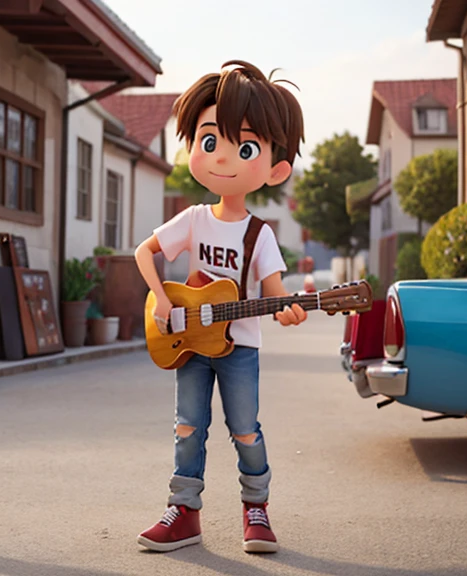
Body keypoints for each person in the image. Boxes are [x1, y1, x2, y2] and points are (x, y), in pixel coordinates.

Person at [133, 61, 307, 554]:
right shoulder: (192, 219)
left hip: (240, 349)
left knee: (245, 430)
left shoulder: (260, 234)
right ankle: (184, 512)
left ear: (275, 168)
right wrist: (164, 300)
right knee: (187, 427)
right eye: (211, 142)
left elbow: (273, 291)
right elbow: (145, 253)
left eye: (245, 147)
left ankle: (257, 510)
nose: (224, 158)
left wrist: (288, 308)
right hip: (188, 343)